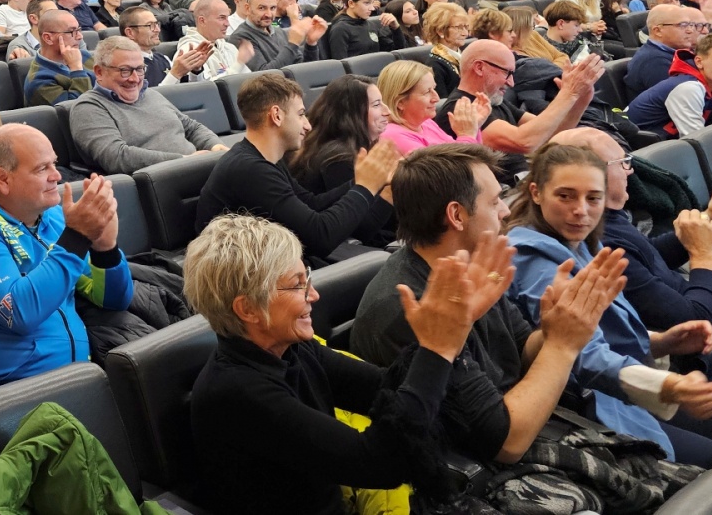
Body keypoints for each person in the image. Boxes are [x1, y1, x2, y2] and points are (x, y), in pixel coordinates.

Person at [184, 213, 497, 515]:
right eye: (297, 285)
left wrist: (452, 327)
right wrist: (437, 348)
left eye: (308, 277)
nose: (314, 295)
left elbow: (385, 387)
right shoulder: (236, 393)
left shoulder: (293, 350)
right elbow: (377, 463)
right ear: (248, 309)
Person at [351, 144, 628, 477]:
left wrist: (554, 328)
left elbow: (523, 350)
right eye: (495, 201)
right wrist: (562, 345)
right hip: (482, 471)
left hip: (537, 428)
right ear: (456, 215)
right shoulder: (407, 310)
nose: (506, 212)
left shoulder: (471, 265)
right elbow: (506, 443)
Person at [504, 142, 712, 465]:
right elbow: (576, 353)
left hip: (634, 387)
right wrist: (668, 384)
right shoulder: (537, 257)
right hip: (600, 406)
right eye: (565, 196)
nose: (581, 210)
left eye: (593, 198)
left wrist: (661, 342)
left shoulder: (577, 240)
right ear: (536, 192)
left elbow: (601, 332)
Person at [0, 124, 131, 384]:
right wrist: (77, 238)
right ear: (4, 179)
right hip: (22, 389)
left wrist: (105, 249)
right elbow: (18, 312)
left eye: (54, 164)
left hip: (84, 374)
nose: (57, 176)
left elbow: (113, 300)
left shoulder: (51, 215)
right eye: (42, 168)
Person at [196, 73, 399, 261]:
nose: (308, 125)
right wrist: (365, 188)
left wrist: (361, 179)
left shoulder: (267, 159)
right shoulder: (250, 170)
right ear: (276, 115)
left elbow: (312, 203)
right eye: (301, 114)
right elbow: (321, 237)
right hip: (237, 272)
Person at [435, 39, 600, 171]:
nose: (511, 83)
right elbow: (524, 142)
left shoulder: (494, 101)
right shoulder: (461, 108)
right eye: (507, 72)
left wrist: (581, 98)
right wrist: (568, 93)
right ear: (479, 67)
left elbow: (552, 134)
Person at [69, 37, 225, 174]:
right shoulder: (88, 107)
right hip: (161, 184)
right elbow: (116, 157)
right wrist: (184, 160)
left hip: (196, 168)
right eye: (125, 71)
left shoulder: (150, 94)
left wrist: (216, 146)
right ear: (99, 72)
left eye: (139, 69)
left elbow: (191, 128)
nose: (135, 79)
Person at [288, 74, 388, 197]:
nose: (387, 111)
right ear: (352, 113)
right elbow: (357, 213)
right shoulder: (339, 160)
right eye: (377, 105)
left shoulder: (344, 146)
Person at [628, 32, 712, 138]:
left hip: (666, 144)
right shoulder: (688, 88)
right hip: (638, 149)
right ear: (699, 62)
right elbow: (697, 139)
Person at [377, 59, 486, 153]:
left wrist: (474, 126)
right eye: (427, 92)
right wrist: (466, 135)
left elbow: (478, 160)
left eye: (434, 89)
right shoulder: (393, 136)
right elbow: (454, 172)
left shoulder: (426, 123)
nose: (436, 98)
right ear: (400, 102)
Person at [230, 0, 326, 71]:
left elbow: (305, 69)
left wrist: (311, 43)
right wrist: (293, 44)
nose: (268, 14)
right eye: (262, 8)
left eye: (272, 8)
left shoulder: (279, 32)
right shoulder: (240, 37)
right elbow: (264, 75)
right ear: (247, 8)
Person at [626, 4, 707, 99]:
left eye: (690, 25)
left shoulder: (675, 54)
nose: (690, 30)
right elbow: (680, 100)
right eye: (682, 25)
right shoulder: (653, 61)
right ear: (658, 31)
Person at [23, 9, 94, 107]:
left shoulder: (84, 55)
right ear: (48, 38)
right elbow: (81, 109)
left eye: (78, 30)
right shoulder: (38, 81)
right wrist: (77, 69)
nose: (80, 36)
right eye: (71, 31)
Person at [421, 1, 469, 97]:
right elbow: (441, 103)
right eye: (458, 27)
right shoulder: (435, 66)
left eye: (466, 27)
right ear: (440, 31)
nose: (465, 33)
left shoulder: (463, 55)